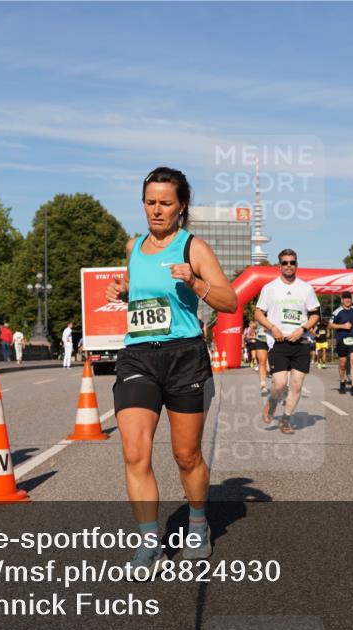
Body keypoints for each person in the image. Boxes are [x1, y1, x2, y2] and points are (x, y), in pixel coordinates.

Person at [104, 167, 237, 575]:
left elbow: (230, 302)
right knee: (134, 452)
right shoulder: (133, 246)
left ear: (181, 207)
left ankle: (198, 523)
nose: (156, 211)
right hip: (138, 356)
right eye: (150, 202)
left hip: (184, 356)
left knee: (186, 455)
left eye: (165, 203)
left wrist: (197, 284)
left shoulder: (192, 247)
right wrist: (123, 291)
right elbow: (140, 289)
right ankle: (149, 543)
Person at [254, 249, 320, 434]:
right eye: (285, 263)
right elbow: (258, 313)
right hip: (279, 342)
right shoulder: (270, 288)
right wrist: (273, 328)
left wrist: (302, 329)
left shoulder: (306, 288)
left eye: (292, 262)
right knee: (280, 384)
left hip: (301, 343)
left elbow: (315, 315)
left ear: (296, 265)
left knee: (297, 383)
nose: (289, 265)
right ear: (279, 266)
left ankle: (286, 419)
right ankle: (272, 402)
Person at [330, 292, 353, 395]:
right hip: (341, 340)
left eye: (349, 298)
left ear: (351, 300)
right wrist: (342, 326)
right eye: (345, 298)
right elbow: (330, 325)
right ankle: (342, 381)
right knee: (342, 364)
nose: (347, 300)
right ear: (342, 300)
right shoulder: (337, 312)